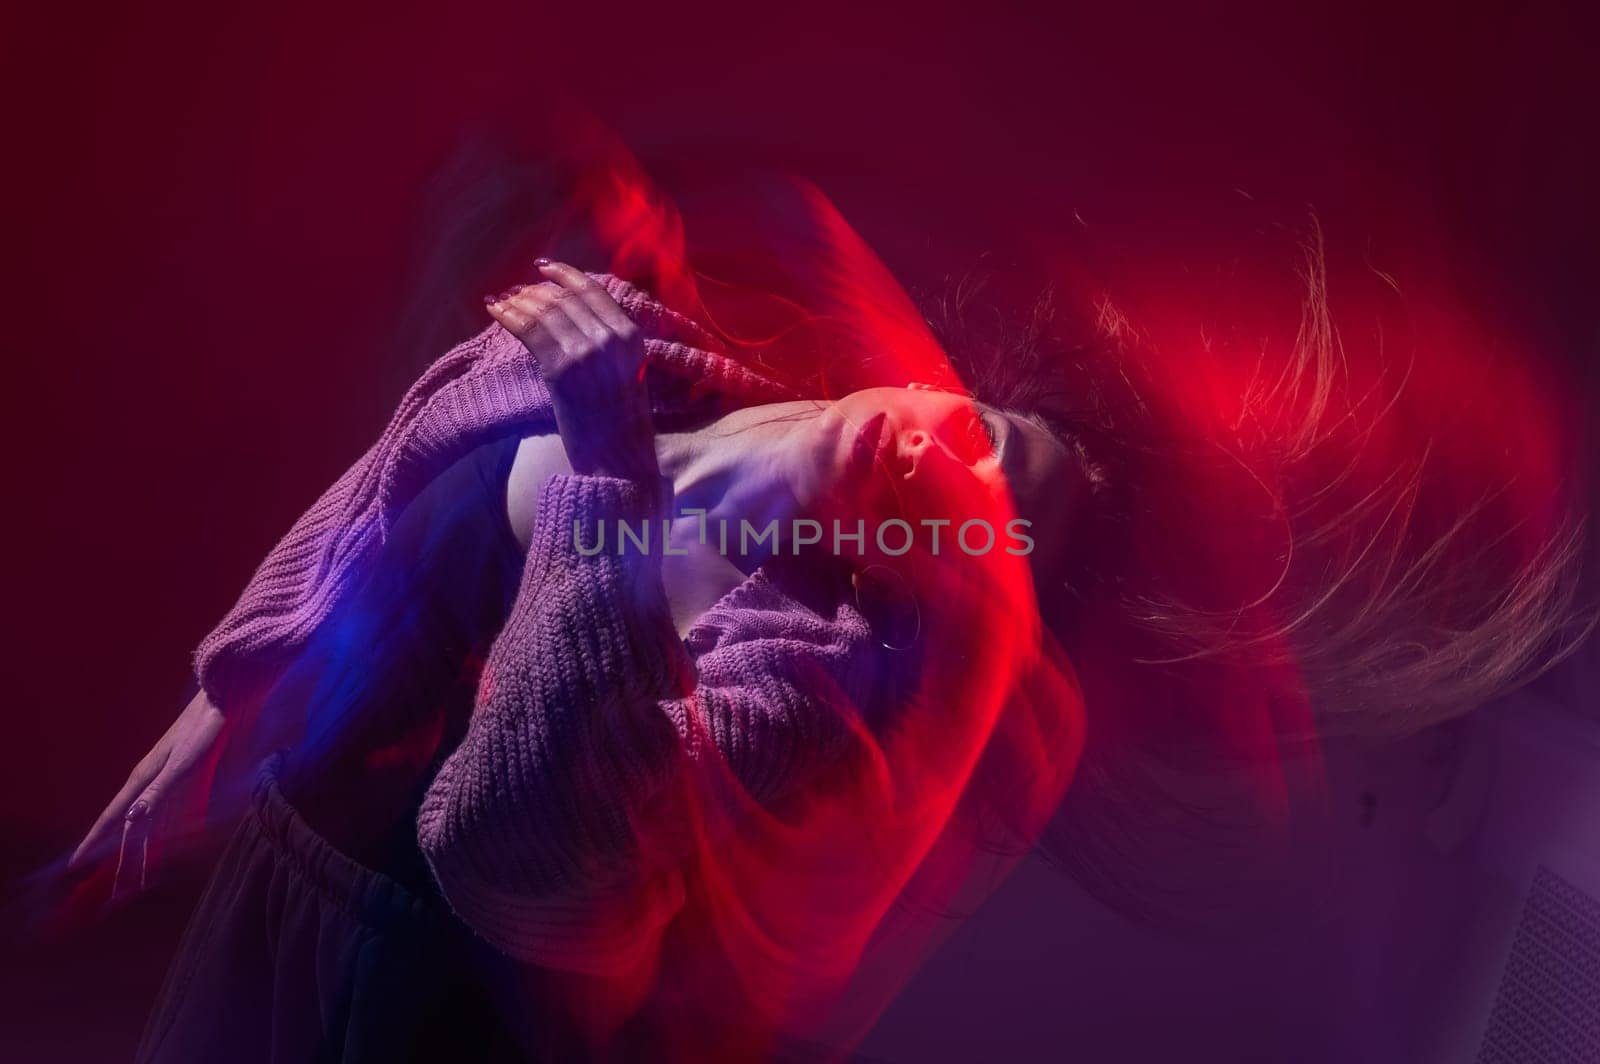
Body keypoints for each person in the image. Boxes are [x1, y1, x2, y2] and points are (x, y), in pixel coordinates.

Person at [69, 249, 1590, 1060]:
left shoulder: (846, 692)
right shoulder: (759, 419)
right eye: (997, 438)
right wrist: (231, 702)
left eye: (990, 511)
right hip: (290, 878)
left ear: (975, 595)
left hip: (391, 998)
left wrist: (602, 458)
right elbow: (453, 437)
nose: (948, 457)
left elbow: (524, 852)